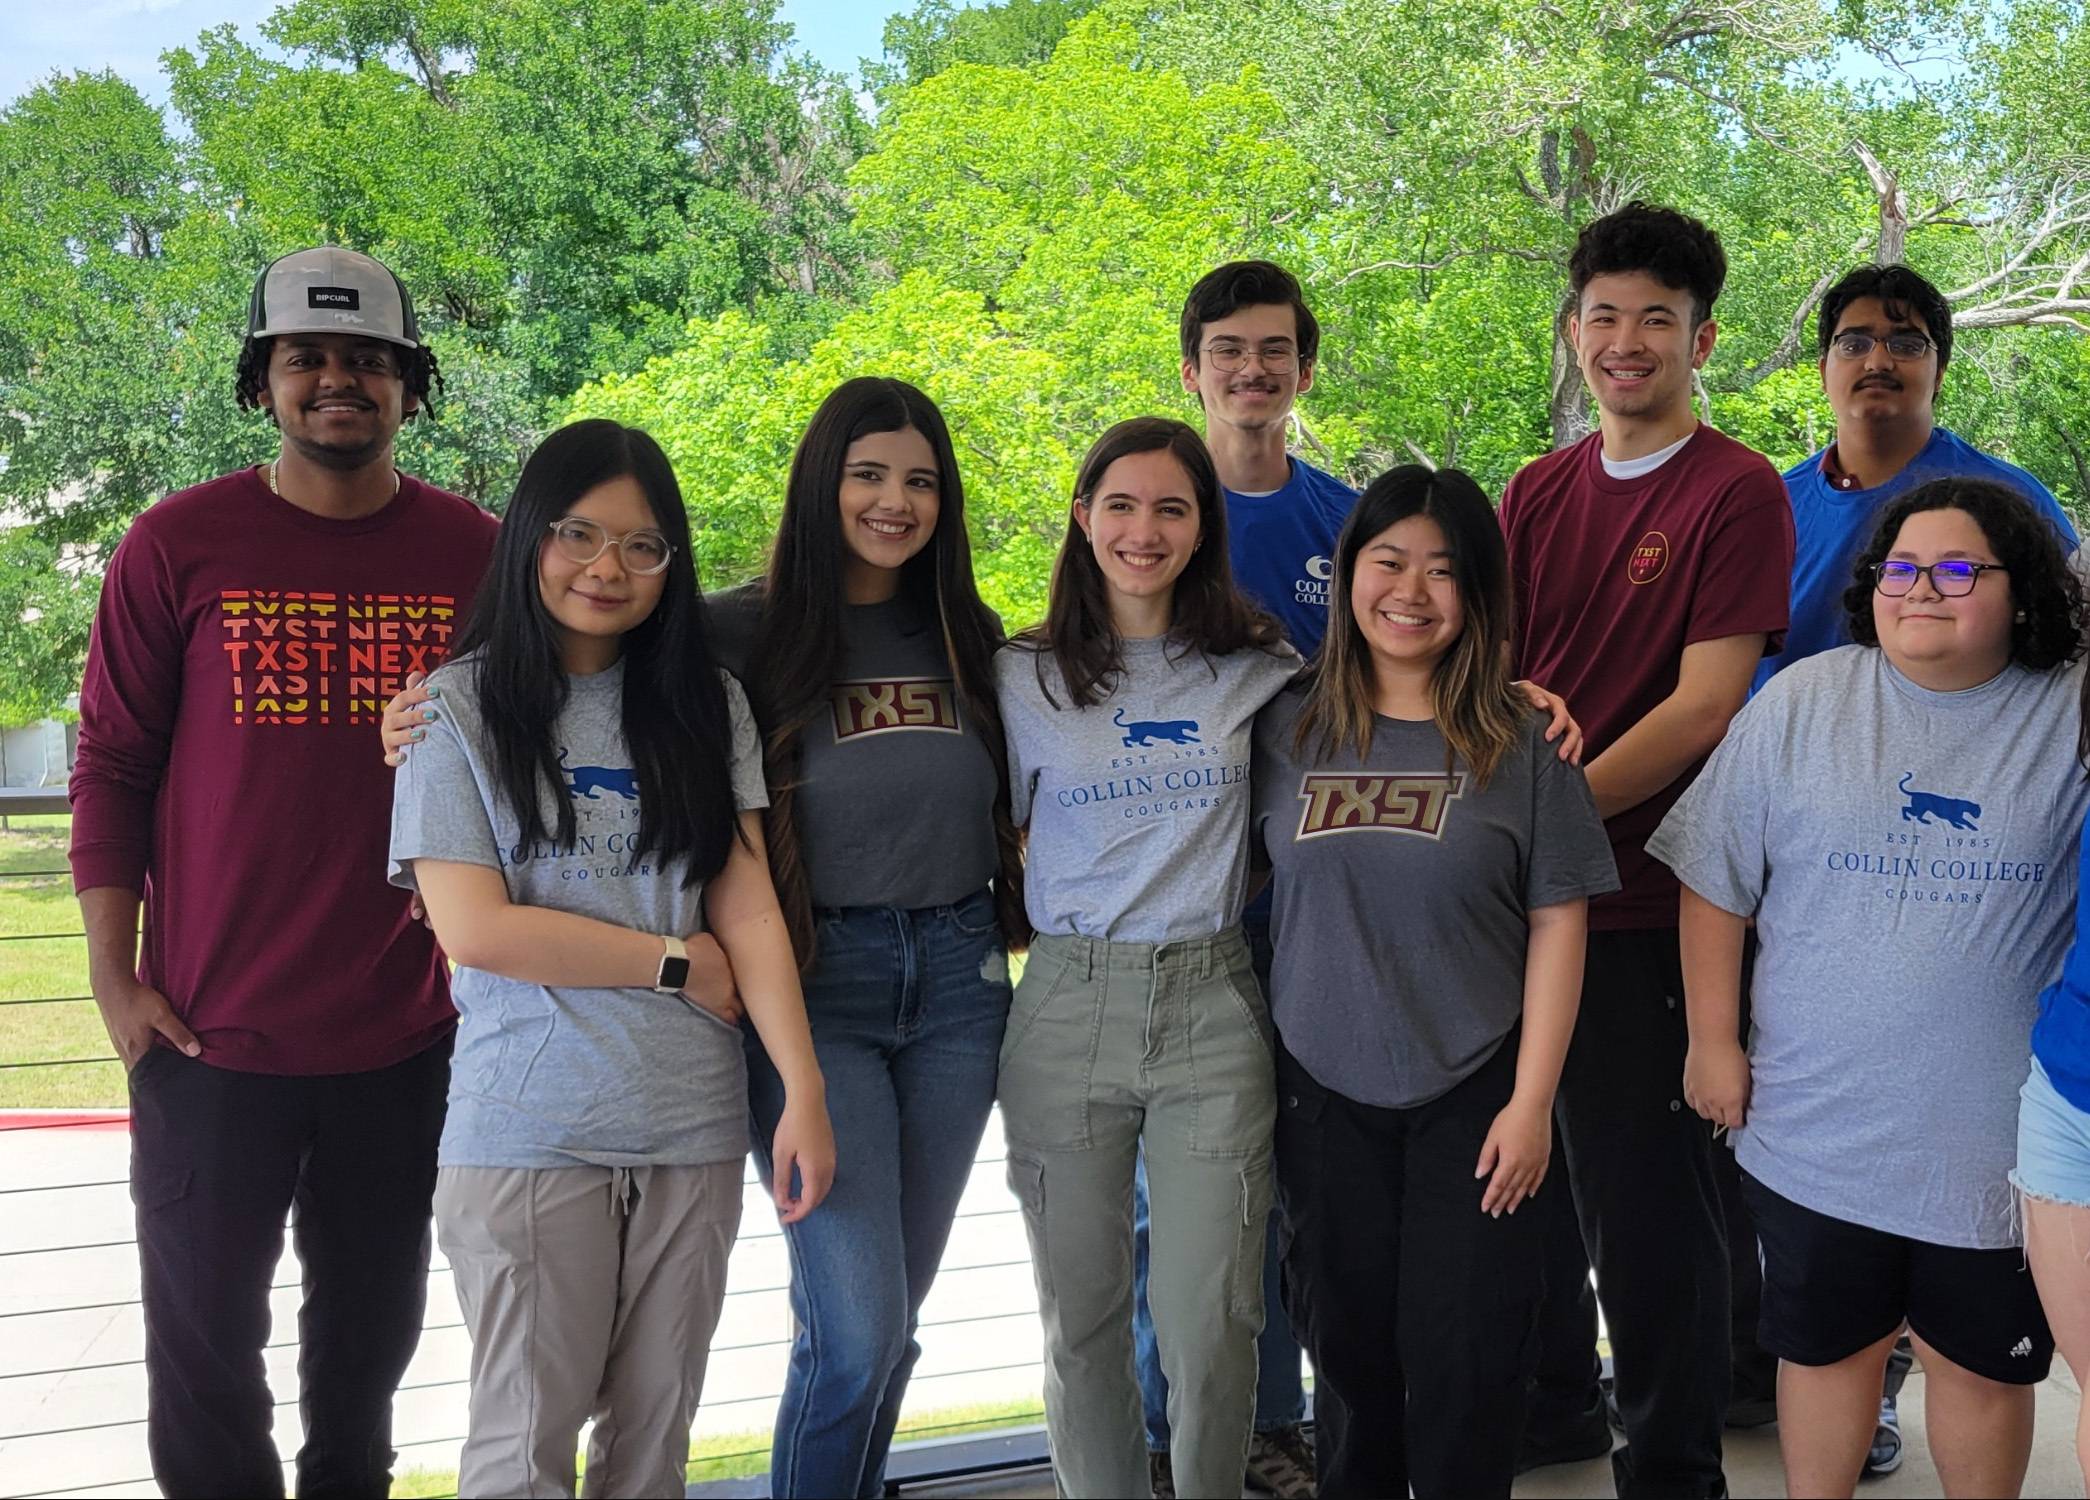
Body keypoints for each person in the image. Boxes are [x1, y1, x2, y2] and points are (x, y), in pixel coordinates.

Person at [67, 246, 496, 1497]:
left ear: (411, 386)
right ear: (263, 383)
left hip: (407, 1035)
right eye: (305, 357)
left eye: (367, 358)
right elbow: (112, 766)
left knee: (365, 1365)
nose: (336, 380)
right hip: (207, 1038)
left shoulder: (473, 553)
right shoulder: (175, 544)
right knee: (203, 1365)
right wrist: (111, 976)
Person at [388, 419, 836, 1497]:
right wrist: (673, 964)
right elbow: (478, 928)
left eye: (641, 546)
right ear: (527, 540)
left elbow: (752, 911)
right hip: (529, 1133)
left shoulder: (700, 702)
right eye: (577, 534)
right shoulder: (453, 709)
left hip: (688, 1127)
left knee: (652, 1444)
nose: (606, 568)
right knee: (523, 1445)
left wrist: (803, 1090)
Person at [1654, 477, 2087, 1500]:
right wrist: (1710, 1042)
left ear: (2019, 590)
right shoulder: (1802, 700)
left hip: (1989, 1144)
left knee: (1976, 1367)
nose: (1919, 590)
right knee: (1821, 1353)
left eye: (1953, 570)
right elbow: (1712, 878)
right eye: (1898, 568)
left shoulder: (2069, 712)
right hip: (1814, 1126)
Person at [1748, 260, 2079, 1476]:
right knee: (1822, 1251)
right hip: (1805, 886)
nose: (1874, 359)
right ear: (1821, 363)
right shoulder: (1772, 505)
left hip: (1985, 932)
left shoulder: (2011, 503)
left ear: (1936, 361)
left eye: (1900, 339)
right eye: (1850, 339)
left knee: (1967, 1299)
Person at [1502, 202, 1795, 1499]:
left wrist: (1546, 834)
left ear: (1701, 340)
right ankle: (1554, 1417)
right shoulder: (1531, 491)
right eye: (1604, 317)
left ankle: (1673, 1474)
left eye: (1656, 323)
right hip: (1514, 907)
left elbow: (1703, 704)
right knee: (1520, 1195)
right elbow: (1490, 679)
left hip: (1645, 911)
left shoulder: (1733, 490)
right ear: (1571, 333)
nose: (1626, 343)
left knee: (1652, 1229)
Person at [1253, 464, 1616, 1498]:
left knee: (1468, 1369)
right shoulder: (1279, 725)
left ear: (1478, 595)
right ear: (1349, 573)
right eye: (1387, 561)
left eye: (1443, 571)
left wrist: (1532, 1104)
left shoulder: (1524, 740)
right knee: (1352, 1365)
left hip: (1476, 1092)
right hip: (1320, 1092)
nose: (1409, 591)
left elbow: (1558, 922)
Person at [713, 377, 1027, 1499]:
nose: (895, 501)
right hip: (812, 990)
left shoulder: (966, 635)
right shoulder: (735, 631)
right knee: (851, 1330)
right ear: (820, 482)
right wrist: (425, 711)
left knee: (891, 1325)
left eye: (920, 481)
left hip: (958, 986)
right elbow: (558, 654)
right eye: (867, 474)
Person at [995, 416, 1299, 1499]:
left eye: (1171, 507)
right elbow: (971, 822)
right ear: (1082, 519)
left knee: (1211, 1319)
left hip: (1211, 999)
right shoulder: (1018, 677)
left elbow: (1371, 725)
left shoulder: (1252, 668)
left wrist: (1508, 700)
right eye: (1118, 505)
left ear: (1200, 525)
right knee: (1079, 1326)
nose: (1143, 529)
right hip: (1068, 1003)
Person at [1129, 256, 1355, 1499]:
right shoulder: (1152, 516)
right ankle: (1168, 1436)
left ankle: (1272, 1423)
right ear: (1191, 370)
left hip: (1314, 911)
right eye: (1227, 352)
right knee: (1180, 1201)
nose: (1251, 372)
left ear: (1302, 371)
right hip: (1176, 912)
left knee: (1286, 1188)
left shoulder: (1340, 520)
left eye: (1273, 351)